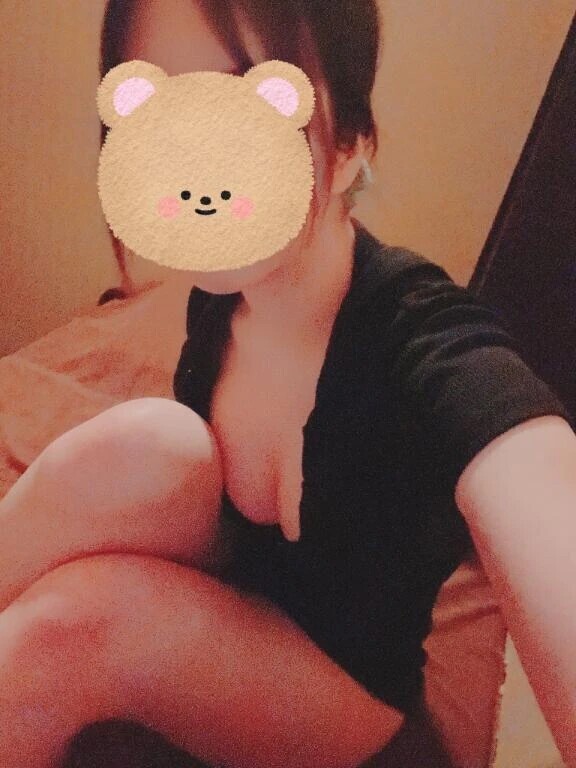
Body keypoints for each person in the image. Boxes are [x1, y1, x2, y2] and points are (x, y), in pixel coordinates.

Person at [0, 1, 575, 766]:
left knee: (70, 626)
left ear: (350, 146)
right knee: (150, 445)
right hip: (243, 592)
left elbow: (532, 479)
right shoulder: (219, 300)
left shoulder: (427, 343)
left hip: (354, 698)